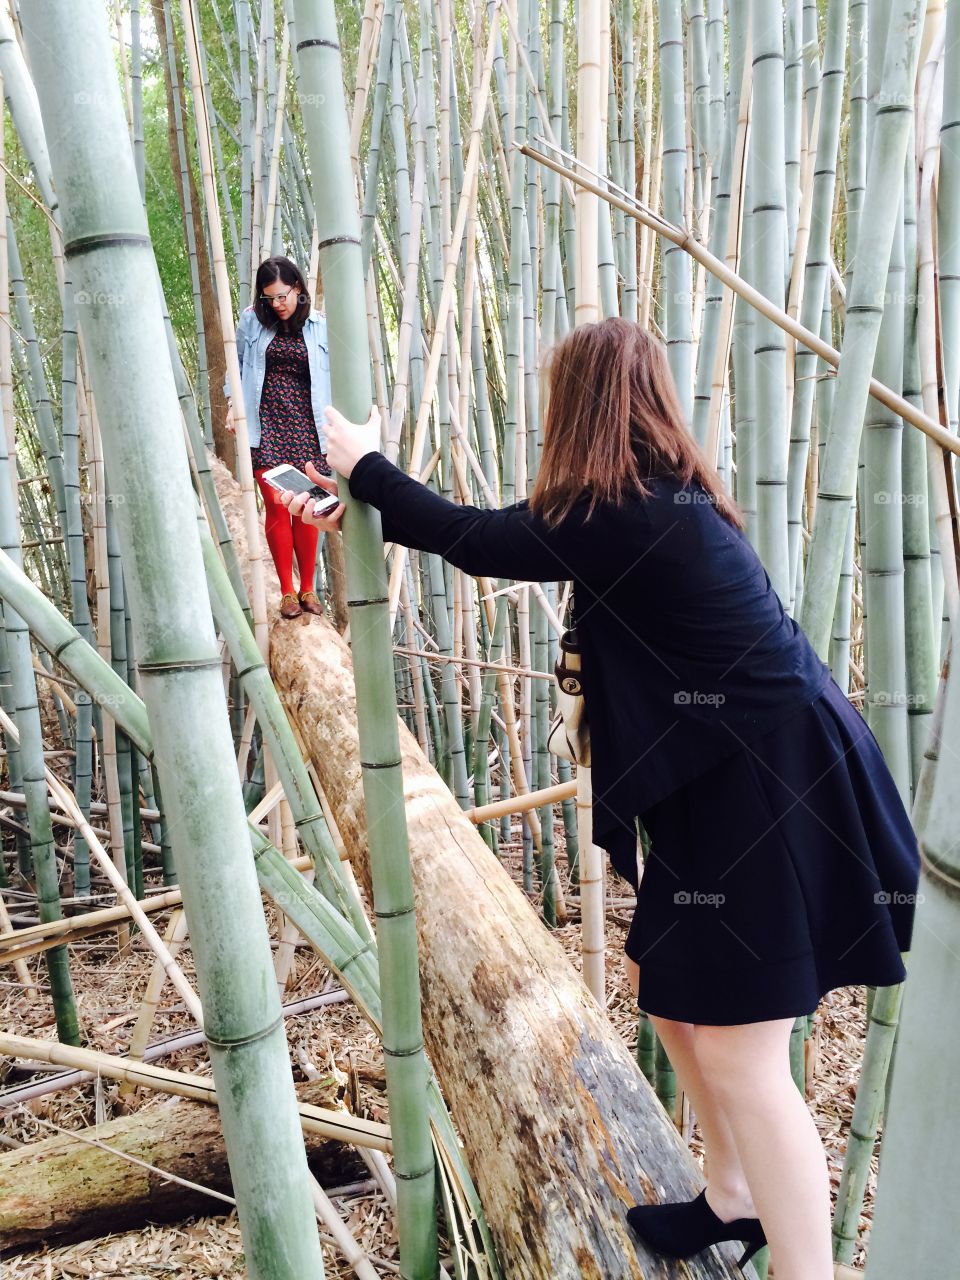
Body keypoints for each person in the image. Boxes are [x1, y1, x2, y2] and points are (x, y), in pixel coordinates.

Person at [281, 317, 920, 1280]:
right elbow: (491, 528)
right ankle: (733, 1197)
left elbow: (473, 538)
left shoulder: (626, 511)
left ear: (577, 405)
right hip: (739, 773)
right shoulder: (648, 499)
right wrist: (363, 496)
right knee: (671, 995)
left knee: (746, 1057)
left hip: (776, 786)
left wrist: (365, 464)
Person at [224, 255, 333, 619]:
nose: (277, 304)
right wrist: (232, 405)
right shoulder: (251, 321)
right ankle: (287, 592)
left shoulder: (319, 325)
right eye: (269, 298)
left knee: (306, 505)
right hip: (265, 422)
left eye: (282, 296)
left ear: (298, 288)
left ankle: (308, 588)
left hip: (307, 424)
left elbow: (332, 377)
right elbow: (236, 366)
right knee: (275, 502)